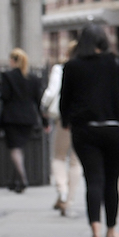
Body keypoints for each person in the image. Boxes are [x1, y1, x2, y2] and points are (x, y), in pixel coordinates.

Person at [59, 23, 119, 237]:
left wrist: (67, 121)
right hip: (115, 128)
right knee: (112, 182)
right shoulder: (117, 61)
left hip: (86, 130)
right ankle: (111, 231)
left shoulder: (72, 66)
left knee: (93, 180)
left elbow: (65, 100)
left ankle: (95, 231)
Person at [0, 48, 42, 194]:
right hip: (28, 118)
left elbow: (4, 96)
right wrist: (44, 121)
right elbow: (38, 101)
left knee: (15, 149)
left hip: (12, 117)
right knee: (20, 148)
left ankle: (22, 179)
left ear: (13, 60)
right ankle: (15, 181)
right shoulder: (33, 78)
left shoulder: (7, 76)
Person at [41, 57, 81, 217]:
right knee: (75, 161)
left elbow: (52, 91)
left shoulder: (61, 68)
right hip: (82, 118)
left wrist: (44, 106)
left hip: (64, 119)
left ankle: (62, 189)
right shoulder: (87, 66)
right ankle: (68, 201)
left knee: (58, 157)